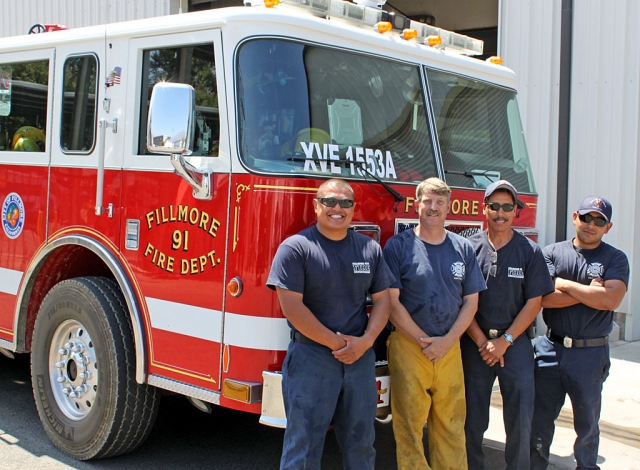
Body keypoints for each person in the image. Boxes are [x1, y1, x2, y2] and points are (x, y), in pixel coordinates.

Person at [267, 178, 392, 470]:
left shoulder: (369, 249)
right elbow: (292, 308)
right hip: (311, 359)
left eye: (346, 203)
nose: (338, 208)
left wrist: (366, 341)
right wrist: (338, 344)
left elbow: (383, 300)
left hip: (359, 359)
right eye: (329, 201)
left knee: (361, 444)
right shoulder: (296, 248)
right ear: (316, 206)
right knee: (304, 447)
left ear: (353, 208)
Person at [383, 177, 486, 470]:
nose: (433, 207)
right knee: (409, 426)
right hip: (409, 346)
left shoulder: (463, 247)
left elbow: (471, 302)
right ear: (417, 204)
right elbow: (391, 303)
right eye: (428, 201)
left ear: (448, 206)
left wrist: (447, 341)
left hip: (450, 347)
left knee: (452, 424)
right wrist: (423, 341)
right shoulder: (398, 247)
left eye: (440, 202)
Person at [530, 196, 629, 470]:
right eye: (586, 217)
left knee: (587, 426)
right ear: (575, 217)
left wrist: (562, 284)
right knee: (539, 421)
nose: (591, 225)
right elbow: (542, 300)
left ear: (608, 227)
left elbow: (610, 301)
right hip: (550, 349)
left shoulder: (615, 258)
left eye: (599, 221)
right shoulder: (551, 252)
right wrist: (590, 292)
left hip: (590, 354)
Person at [462, 180, 554, 470]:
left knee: (520, 422)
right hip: (474, 345)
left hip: (515, 347)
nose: (500, 213)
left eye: (507, 207)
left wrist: (506, 341)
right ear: (484, 209)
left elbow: (534, 301)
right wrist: (481, 342)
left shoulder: (530, 251)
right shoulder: (467, 248)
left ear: (516, 211)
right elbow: (461, 302)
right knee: (471, 421)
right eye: (495, 206)